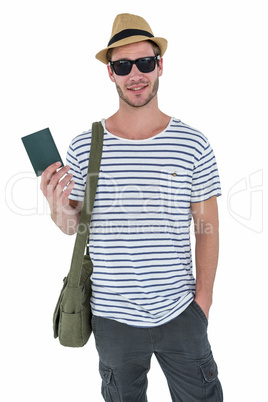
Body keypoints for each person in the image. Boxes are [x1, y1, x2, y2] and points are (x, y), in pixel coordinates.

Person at [41, 13, 223, 402]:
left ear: (160, 65)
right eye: (123, 65)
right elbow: (72, 227)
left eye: (144, 62)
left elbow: (207, 228)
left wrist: (202, 303)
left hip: (181, 313)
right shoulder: (84, 147)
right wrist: (56, 205)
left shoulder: (193, 144)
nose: (135, 74)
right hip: (112, 319)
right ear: (111, 73)